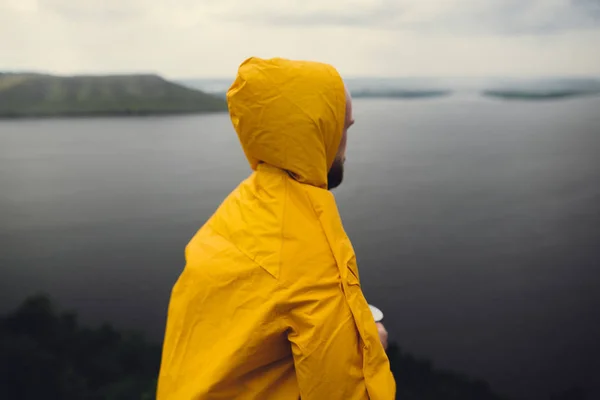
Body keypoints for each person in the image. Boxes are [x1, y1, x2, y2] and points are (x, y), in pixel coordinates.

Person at [157, 57, 396, 399]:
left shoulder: (234, 213)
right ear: (320, 131)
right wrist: (373, 348)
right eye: (344, 128)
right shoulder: (311, 247)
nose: (345, 146)